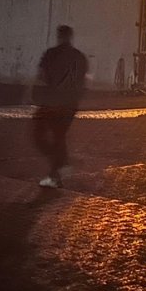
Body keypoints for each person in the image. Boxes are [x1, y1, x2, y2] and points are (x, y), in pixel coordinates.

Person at [33, 25, 88, 188]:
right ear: (70, 37)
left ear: (59, 36)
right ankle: (60, 164)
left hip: (52, 102)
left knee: (40, 134)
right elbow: (82, 81)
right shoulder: (79, 57)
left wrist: (34, 94)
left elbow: (41, 76)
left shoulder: (51, 54)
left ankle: (57, 169)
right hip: (69, 104)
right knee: (59, 136)